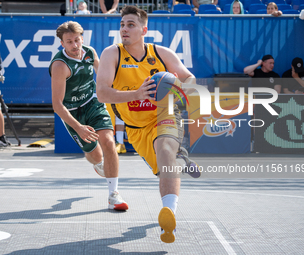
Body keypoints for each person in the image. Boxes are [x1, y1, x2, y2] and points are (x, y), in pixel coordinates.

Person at [96, 5, 199, 243]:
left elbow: (189, 78)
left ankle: (169, 214)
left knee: (165, 151)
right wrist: (137, 94)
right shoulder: (112, 54)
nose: (124, 29)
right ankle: (180, 156)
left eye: (130, 25)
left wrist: (179, 89)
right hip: (136, 128)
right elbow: (102, 93)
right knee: (163, 167)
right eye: (122, 25)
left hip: (165, 114)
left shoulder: (162, 53)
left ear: (144, 30)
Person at [49, 21, 128, 211]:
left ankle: (114, 195)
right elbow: (57, 105)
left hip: (93, 102)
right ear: (62, 44)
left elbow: (104, 78)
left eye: (77, 40)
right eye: (69, 42)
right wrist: (78, 127)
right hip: (72, 112)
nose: (75, 45)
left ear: (82, 38)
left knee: (109, 142)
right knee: (95, 155)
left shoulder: (90, 52)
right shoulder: (60, 66)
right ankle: (98, 163)